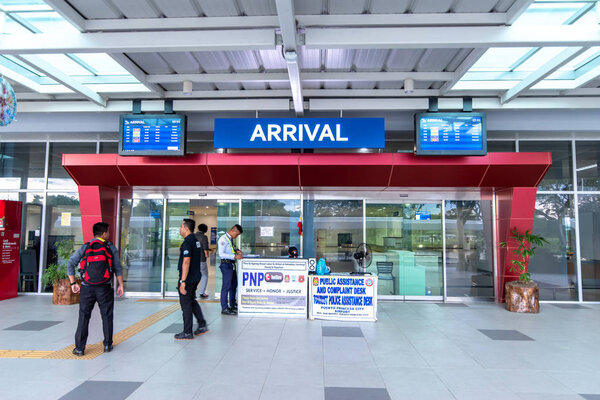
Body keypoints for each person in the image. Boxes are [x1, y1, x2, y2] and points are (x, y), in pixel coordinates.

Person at [67, 222, 124, 356]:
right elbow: (117, 268)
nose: (109, 234)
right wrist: (120, 285)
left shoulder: (86, 247)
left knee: (83, 317)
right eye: (108, 232)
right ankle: (107, 345)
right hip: (104, 287)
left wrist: (73, 283)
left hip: (87, 287)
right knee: (107, 315)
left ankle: (80, 348)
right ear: (104, 234)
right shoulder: (110, 247)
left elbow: (71, 264)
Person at [175, 218, 208, 340]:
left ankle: (187, 332)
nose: (180, 229)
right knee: (191, 301)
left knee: (186, 305)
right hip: (195, 276)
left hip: (188, 278)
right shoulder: (195, 239)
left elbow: (186, 261)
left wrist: (182, 281)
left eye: (181, 226)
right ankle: (202, 324)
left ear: (186, 228)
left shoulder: (188, 241)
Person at [218, 224, 243, 315]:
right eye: (237, 234)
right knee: (226, 287)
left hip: (231, 264)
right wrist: (234, 256)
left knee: (233, 285)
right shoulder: (223, 239)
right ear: (233, 230)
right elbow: (221, 254)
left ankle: (232, 305)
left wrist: (237, 251)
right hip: (226, 264)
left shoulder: (230, 239)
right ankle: (224, 308)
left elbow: (231, 249)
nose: (237, 236)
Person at [194, 223, 210, 299]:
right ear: (205, 230)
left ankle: (192, 292)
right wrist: (207, 255)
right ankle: (202, 292)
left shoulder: (193, 236)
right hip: (201, 259)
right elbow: (204, 248)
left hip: (193, 259)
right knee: (204, 275)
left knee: (194, 276)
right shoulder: (204, 237)